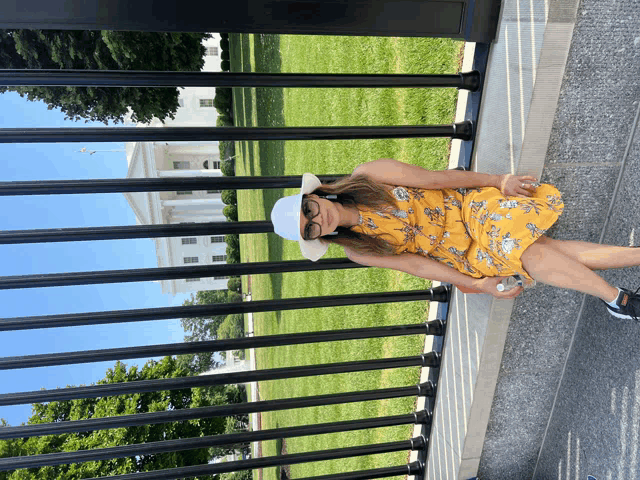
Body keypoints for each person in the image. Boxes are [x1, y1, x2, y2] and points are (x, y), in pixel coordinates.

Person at [270, 159, 640, 321]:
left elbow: (435, 180)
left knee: (527, 251)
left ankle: (619, 300)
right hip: (464, 254)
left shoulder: (368, 176)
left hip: (467, 209)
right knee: (537, 253)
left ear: (315, 196)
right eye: (311, 228)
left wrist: (497, 181)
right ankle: (622, 291)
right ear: (318, 237)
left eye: (311, 210)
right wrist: (476, 285)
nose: (319, 219)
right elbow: (417, 264)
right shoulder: (358, 250)